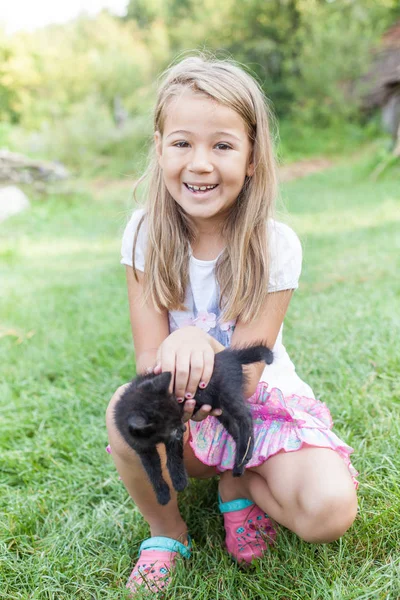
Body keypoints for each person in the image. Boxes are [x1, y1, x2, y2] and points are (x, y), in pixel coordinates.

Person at [106, 53, 358, 596]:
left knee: (329, 512)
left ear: (250, 158)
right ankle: (167, 532)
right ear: (159, 147)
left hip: (253, 404)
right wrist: (181, 342)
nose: (199, 164)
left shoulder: (275, 245)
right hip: (182, 402)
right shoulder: (143, 234)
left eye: (221, 145)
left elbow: (244, 381)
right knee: (124, 413)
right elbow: (150, 363)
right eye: (182, 143)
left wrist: (199, 341)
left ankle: (237, 477)